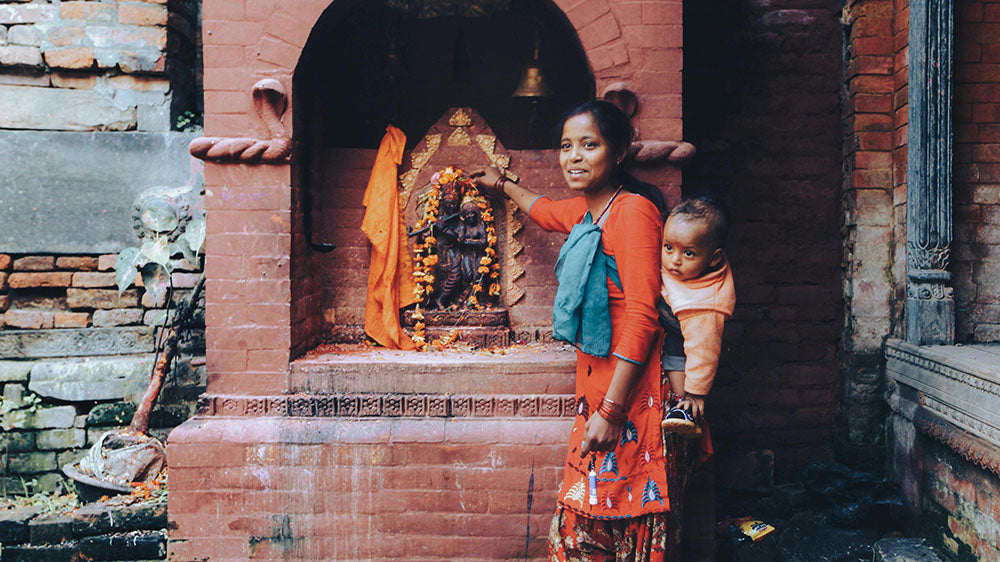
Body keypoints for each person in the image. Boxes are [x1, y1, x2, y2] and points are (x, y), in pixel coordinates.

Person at [473, 100, 681, 561]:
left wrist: (611, 410)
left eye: (590, 145)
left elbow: (644, 315)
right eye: (566, 146)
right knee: (582, 534)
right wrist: (502, 184)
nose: (574, 156)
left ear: (619, 152)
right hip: (599, 390)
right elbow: (546, 211)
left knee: (629, 532)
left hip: (634, 395)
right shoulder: (590, 216)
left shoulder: (632, 212)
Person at [658, 196, 736, 439]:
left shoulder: (705, 306)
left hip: (684, 350)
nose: (675, 260)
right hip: (670, 328)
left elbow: (704, 350)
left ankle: (684, 411)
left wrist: (696, 393)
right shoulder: (681, 269)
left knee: (680, 361)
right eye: (668, 247)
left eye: (689, 253)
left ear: (713, 259)